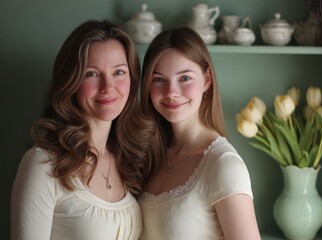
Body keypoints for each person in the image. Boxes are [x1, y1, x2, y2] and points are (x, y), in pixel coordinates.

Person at [11, 19, 151, 240]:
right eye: (92, 74)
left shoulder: (129, 159)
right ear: (71, 81)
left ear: (132, 80)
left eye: (119, 72)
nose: (108, 87)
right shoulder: (43, 164)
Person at [139, 27, 261, 240]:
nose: (171, 92)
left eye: (184, 78)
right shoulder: (151, 156)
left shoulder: (223, 164)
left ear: (206, 80)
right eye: (159, 79)